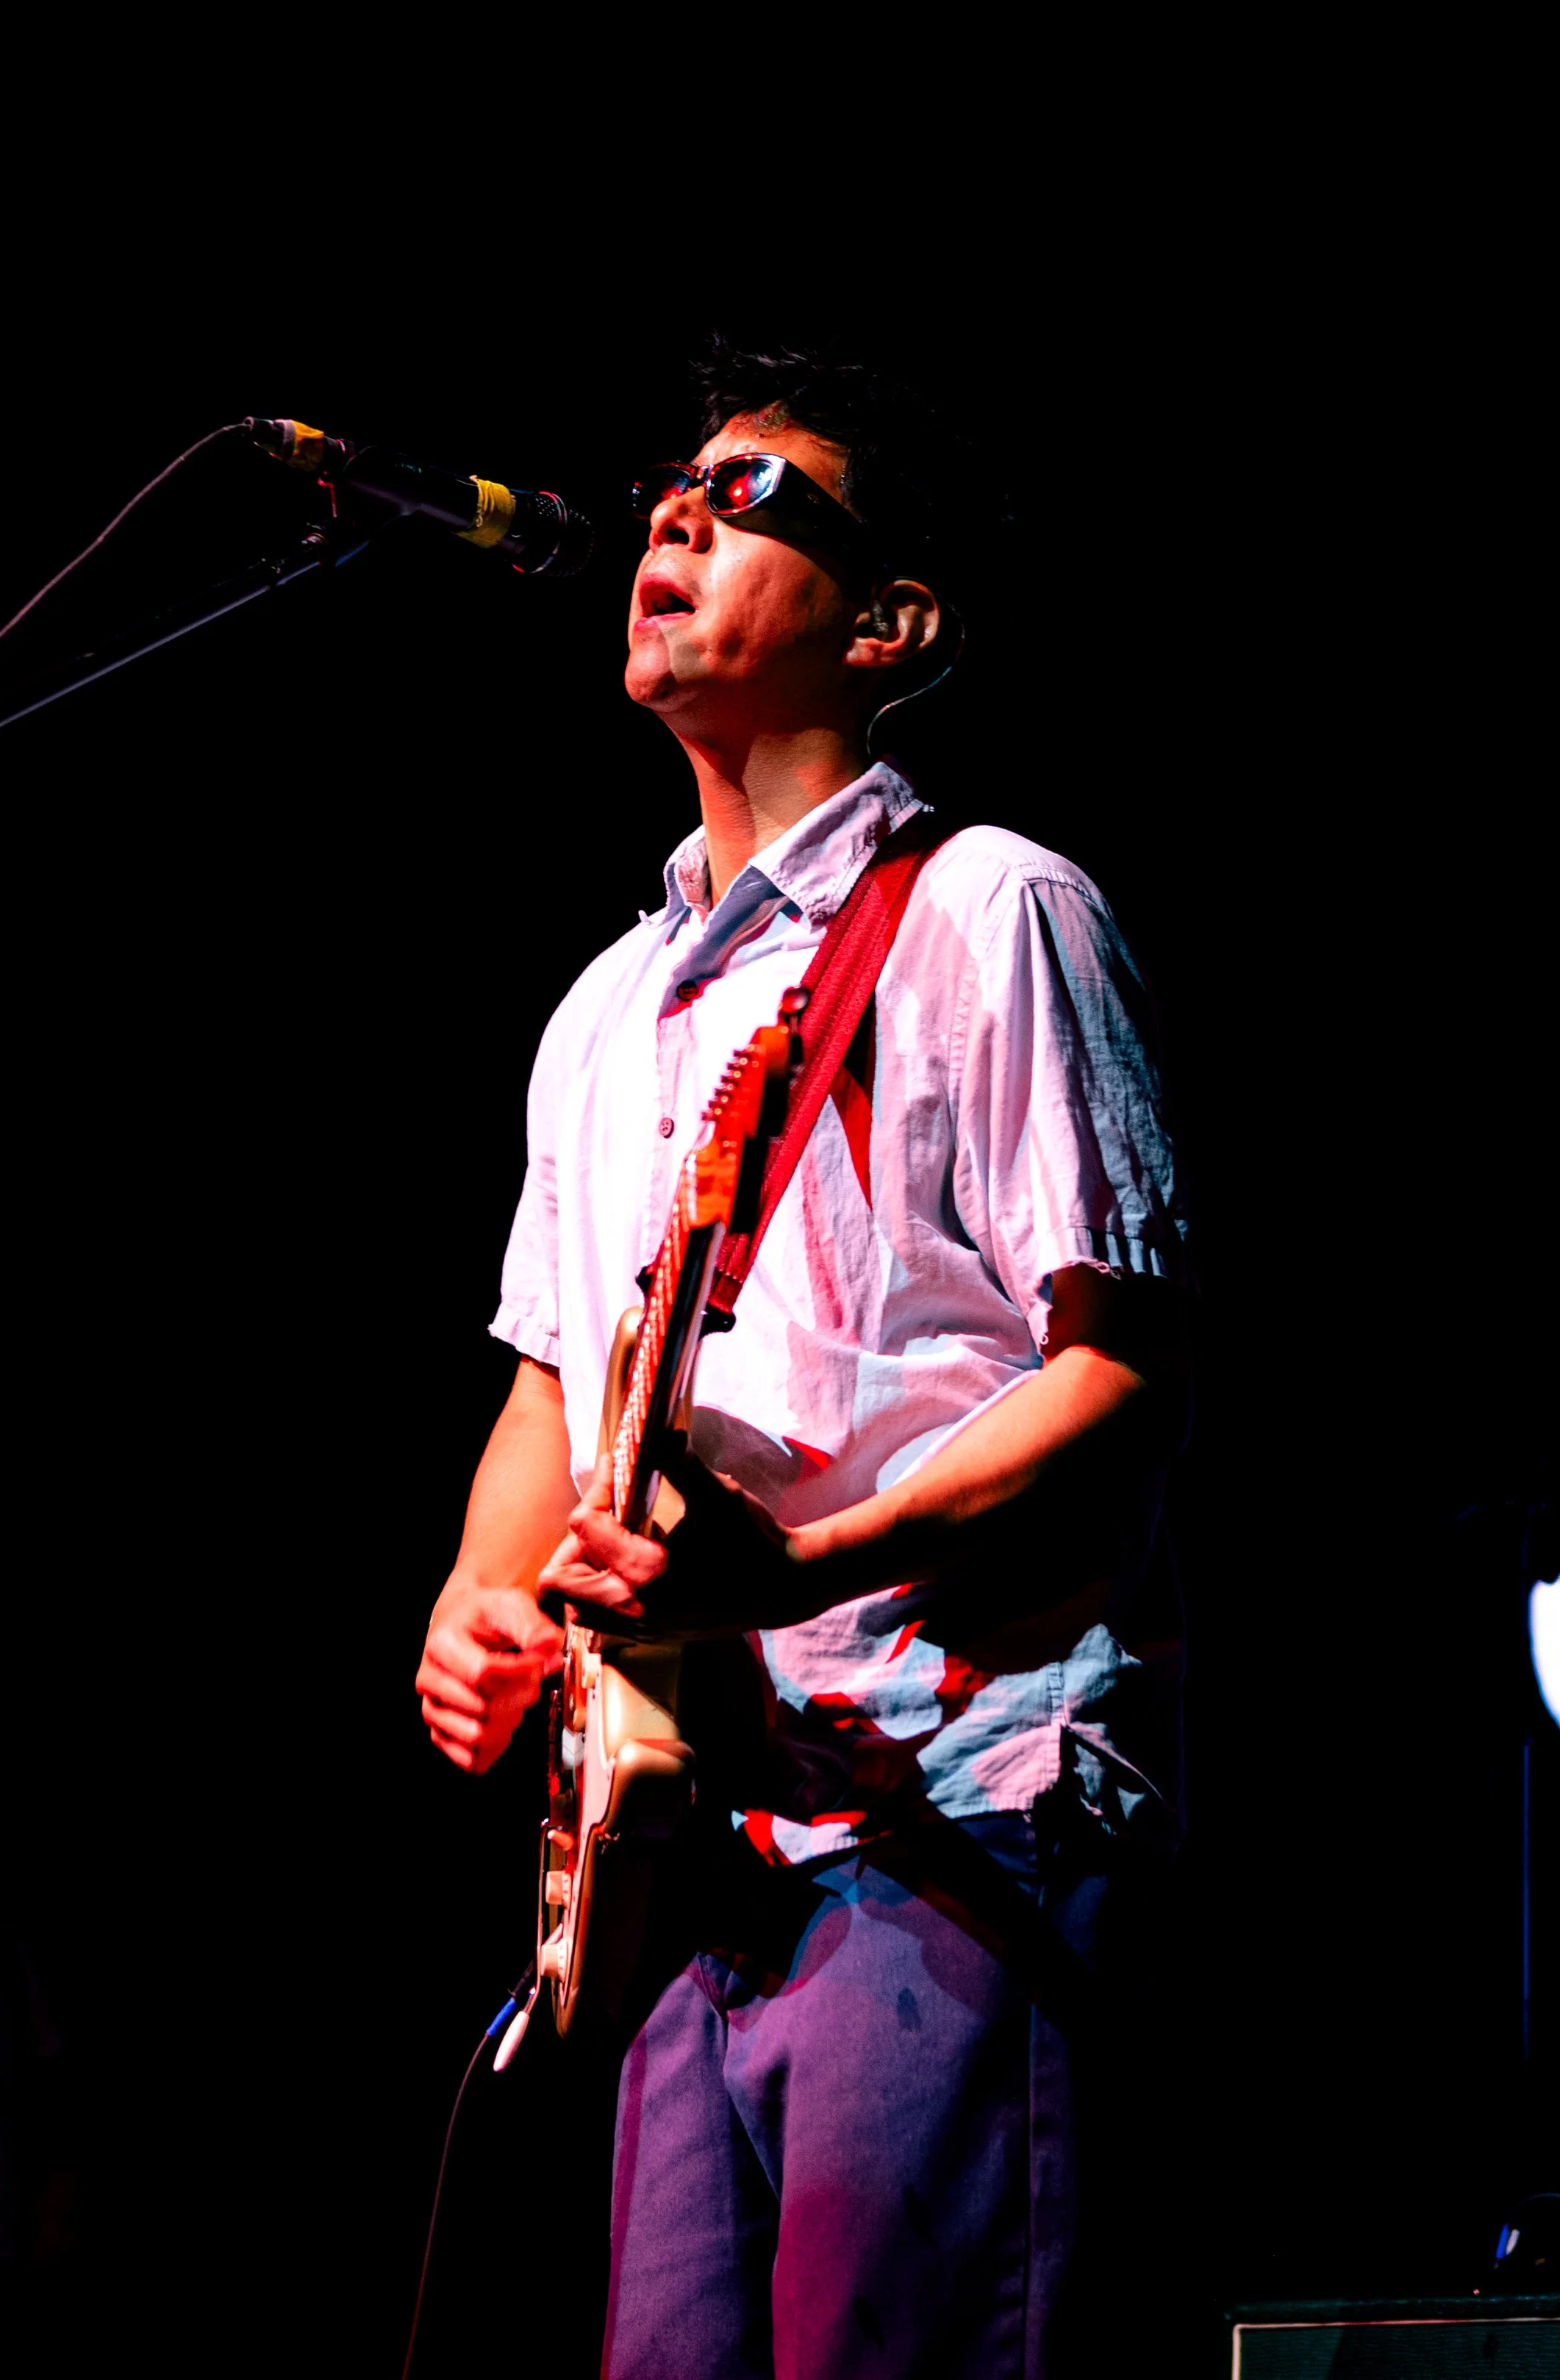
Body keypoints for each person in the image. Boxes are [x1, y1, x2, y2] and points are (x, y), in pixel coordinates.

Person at [415, 343, 1192, 2376]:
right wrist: (478, 1605)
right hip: (693, 1864)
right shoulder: (603, 1011)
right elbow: (547, 1386)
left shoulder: (993, 911)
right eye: (671, 483)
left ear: (887, 622)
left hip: (952, 1809)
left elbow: (1119, 1374)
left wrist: (805, 1560)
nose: (671, 513)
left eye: (746, 493)